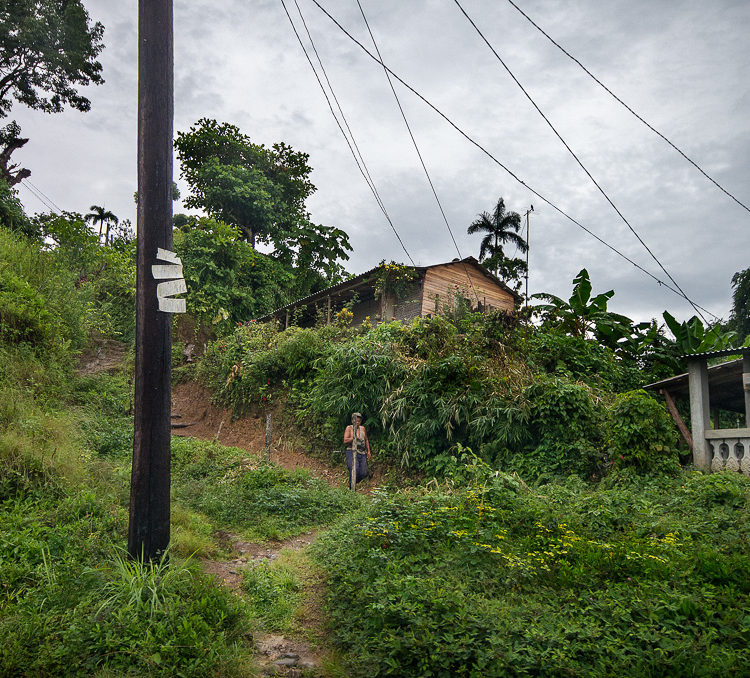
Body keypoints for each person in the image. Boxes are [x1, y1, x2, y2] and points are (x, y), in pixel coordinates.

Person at [344, 412, 371, 488]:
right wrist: (354, 438)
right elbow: (345, 440)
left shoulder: (363, 428)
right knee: (353, 469)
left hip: (362, 452)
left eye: (359, 421)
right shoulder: (349, 428)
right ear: (353, 421)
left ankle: (352, 482)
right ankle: (351, 488)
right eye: (356, 421)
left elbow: (366, 440)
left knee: (364, 472)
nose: (358, 423)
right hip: (351, 450)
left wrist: (368, 451)